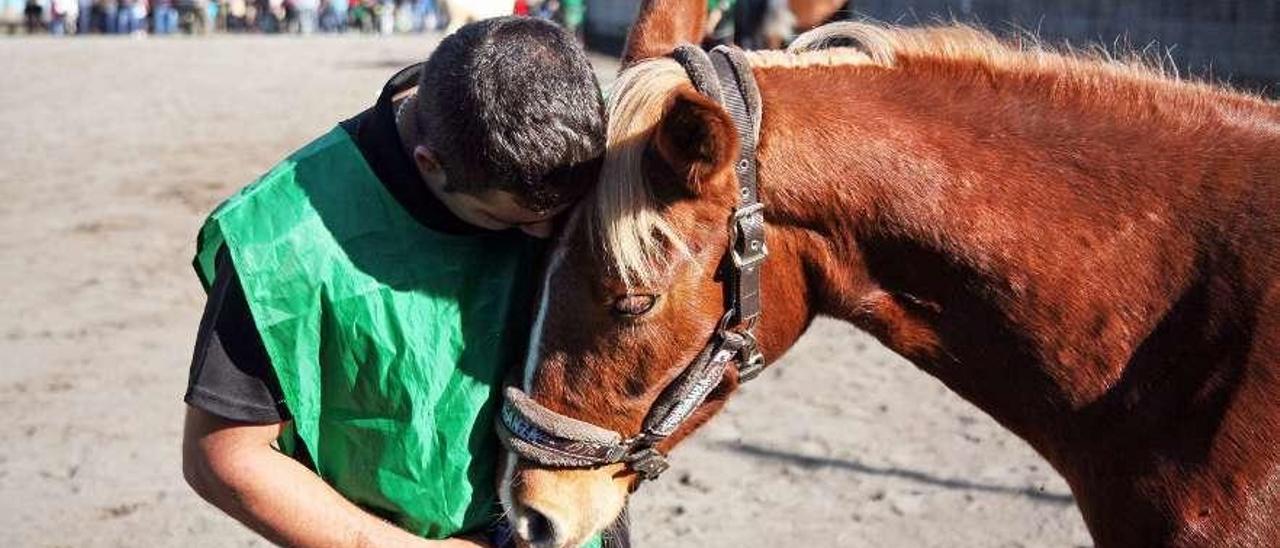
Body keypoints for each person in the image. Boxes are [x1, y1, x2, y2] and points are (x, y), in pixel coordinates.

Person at [182, 17, 625, 548]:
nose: (546, 236)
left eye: (564, 214)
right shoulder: (278, 244)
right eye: (512, 220)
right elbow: (223, 456)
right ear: (431, 165)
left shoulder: (581, 143)